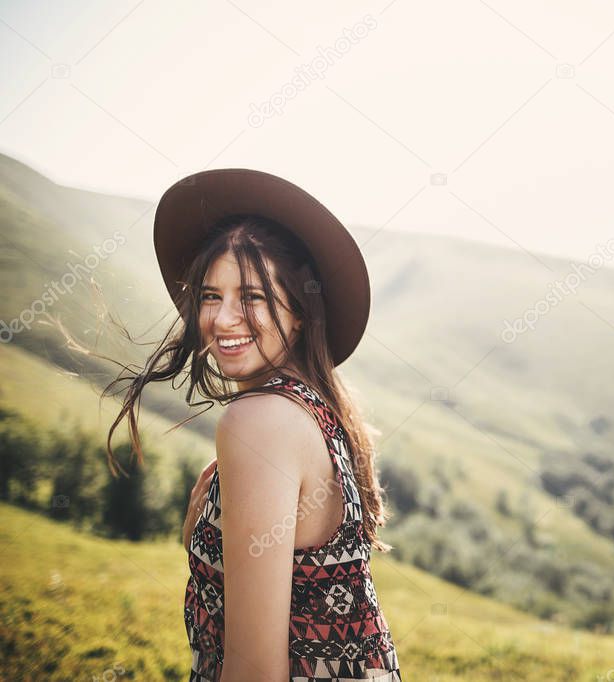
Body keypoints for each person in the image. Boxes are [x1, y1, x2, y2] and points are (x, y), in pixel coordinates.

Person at [104, 169, 402, 681]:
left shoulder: (259, 422)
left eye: (253, 297)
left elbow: (255, 670)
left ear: (300, 311)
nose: (222, 320)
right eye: (210, 295)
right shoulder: (319, 410)